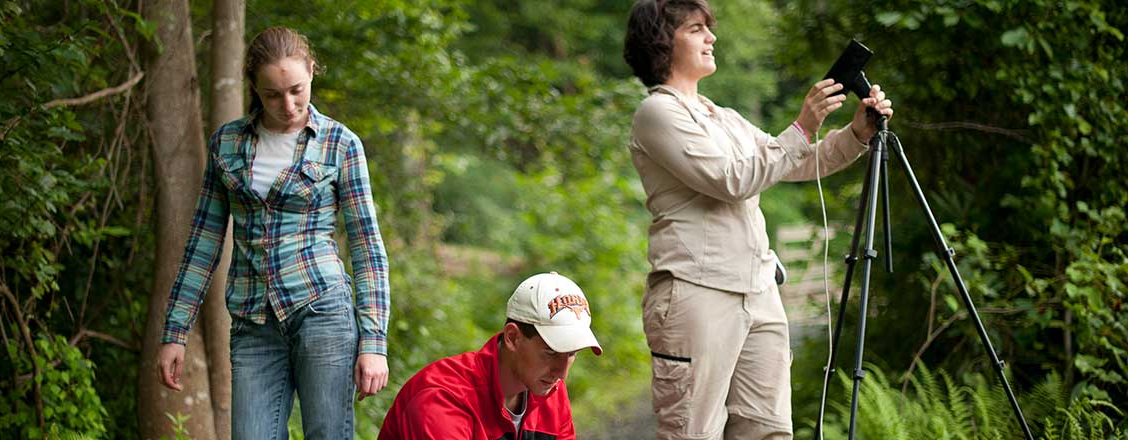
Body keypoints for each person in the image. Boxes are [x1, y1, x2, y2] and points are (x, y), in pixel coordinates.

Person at [622, 1, 894, 439]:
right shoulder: (658, 113)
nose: (711, 37)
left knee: (768, 432)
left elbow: (791, 162)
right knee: (695, 431)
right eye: (696, 29)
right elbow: (733, 179)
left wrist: (856, 134)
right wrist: (803, 126)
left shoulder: (723, 118)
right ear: (661, 42)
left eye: (708, 28)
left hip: (759, 291)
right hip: (698, 292)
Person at [155, 26, 391, 439]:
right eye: (272, 95)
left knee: (327, 434)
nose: (288, 104)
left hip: (323, 312)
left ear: (313, 72)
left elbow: (367, 246)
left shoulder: (340, 144)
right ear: (254, 88)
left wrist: (374, 342)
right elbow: (203, 243)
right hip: (252, 322)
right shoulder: (226, 145)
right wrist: (175, 332)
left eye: (297, 90)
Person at [377, 272, 602, 439]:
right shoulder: (443, 399)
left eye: (571, 354)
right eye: (550, 352)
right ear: (513, 338)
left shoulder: (550, 388)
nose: (561, 373)